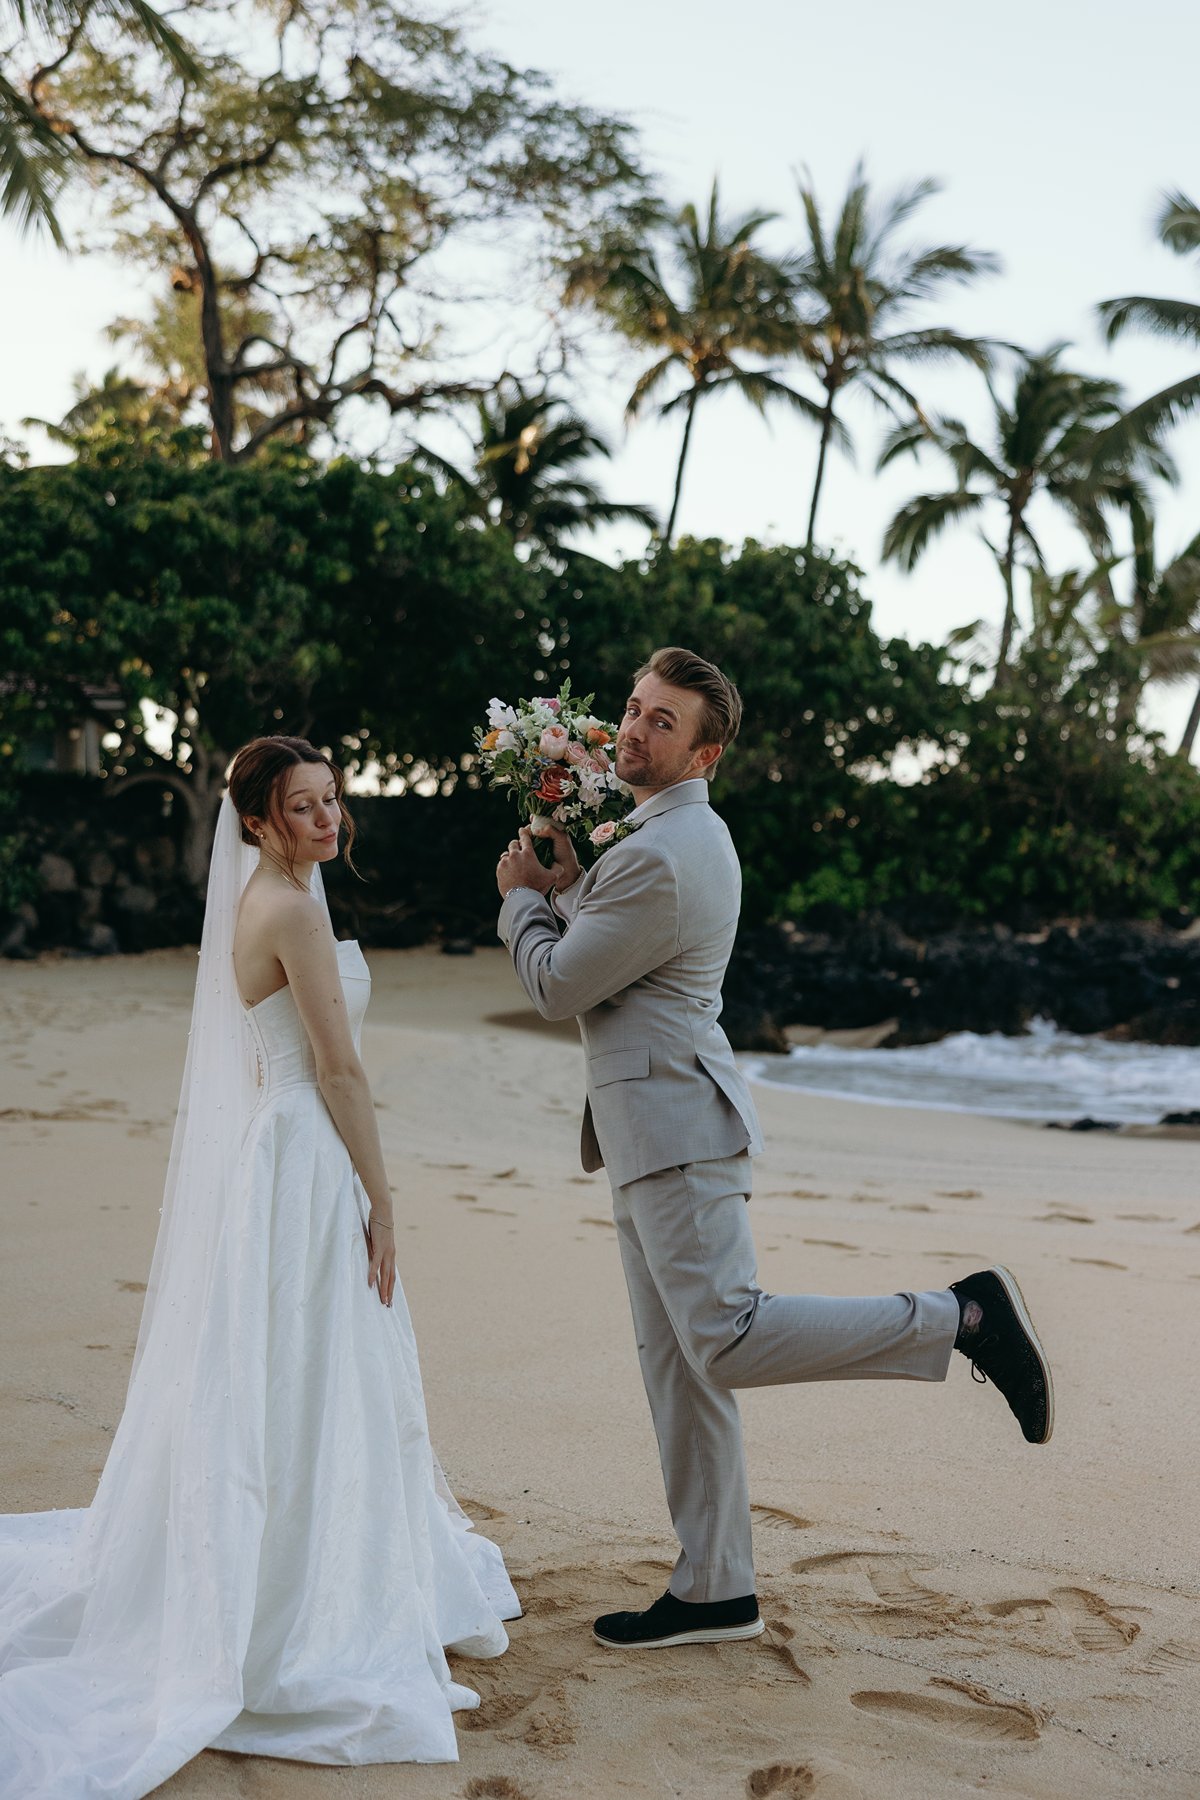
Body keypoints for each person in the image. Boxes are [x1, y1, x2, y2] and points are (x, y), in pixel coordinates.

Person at [496, 646, 1052, 1651]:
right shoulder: (655, 839)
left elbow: (556, 987)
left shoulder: (666, 849)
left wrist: (521, 901)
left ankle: (960, 1317)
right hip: (648, 1130)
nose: (632, 729)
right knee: (682, 1369)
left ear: (705, 755)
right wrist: (575, 889)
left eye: (663, 722)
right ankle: (714, 1588)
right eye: (633, 708)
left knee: (724, 1339)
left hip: (673, 1130)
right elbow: (620, 962)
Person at [0, 736, 518, 1799]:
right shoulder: (285, 908)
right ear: (254, 822)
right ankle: (298, 1599)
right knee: (311, 1370)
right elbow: (337, 1066)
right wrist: (382, 1196)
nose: (330, 822)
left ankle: (304, 1557)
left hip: (278, 1155)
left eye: (334, 800)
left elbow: (270, 1049)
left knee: (295, 1372)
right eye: (304, 807)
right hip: (308, 1161)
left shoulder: (281, 896)